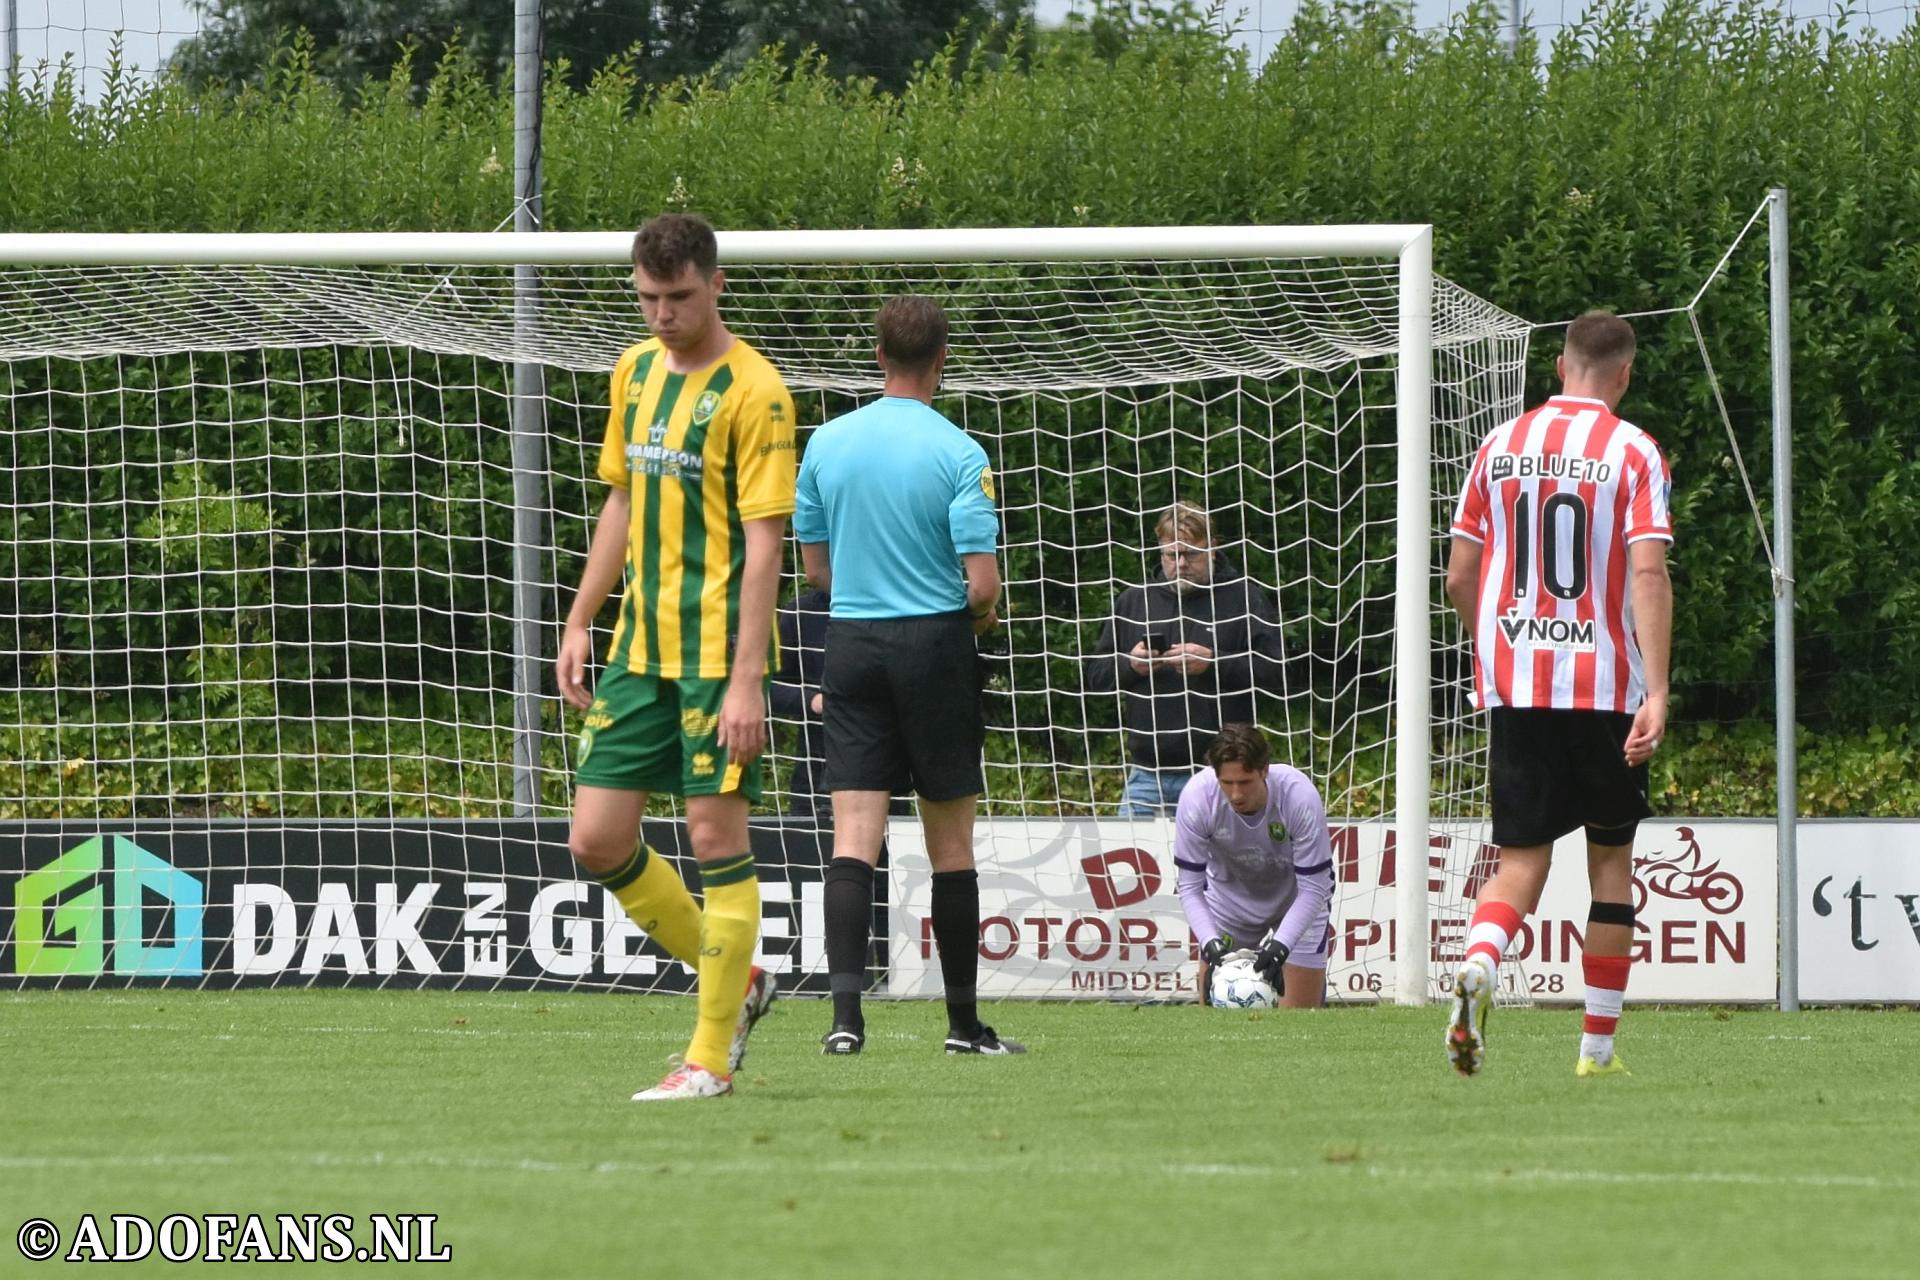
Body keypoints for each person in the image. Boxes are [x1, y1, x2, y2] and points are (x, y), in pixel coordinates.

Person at [556, 213, 794, 1102]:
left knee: (711, 838)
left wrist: (745, 681)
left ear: (716, 285)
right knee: (597, 838)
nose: (662, 314)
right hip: (639, 652)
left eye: (679, 297)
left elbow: (766, 544)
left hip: (714, 658)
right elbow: (620, 503)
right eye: (649, 298)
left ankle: (709, 1058)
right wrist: (582, 618)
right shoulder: (634, 370)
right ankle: (744, 980)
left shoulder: (757, 392)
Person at [1443, 310, 1673, 1079]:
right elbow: (1647, 571)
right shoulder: (1633, 450)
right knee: (1611, 866)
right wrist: (1660, 690)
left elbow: (1459, 576)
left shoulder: (1498, 445)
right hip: (1604, 688)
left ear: (1558, 364)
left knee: (1519, 862)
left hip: (1518, 684)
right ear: (1625, 374)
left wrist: (1502, 640)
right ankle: (1596, 1051)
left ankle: (1480, 964)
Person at [792, 295, 1020, 1058]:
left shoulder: (826, 442)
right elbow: (982, 588)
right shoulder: (960, 453)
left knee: (853, 837)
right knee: (949, 844)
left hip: (851, 643)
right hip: (933, 647)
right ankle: (961, 1027)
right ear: (942, 362)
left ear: (879, 354)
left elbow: (815, 568)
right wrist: (974, 620)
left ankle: (845, 1022)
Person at [1084, 502, 1288, 816]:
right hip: (1146, 775)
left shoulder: (1243, 597)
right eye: (1171, 555)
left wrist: (1213, 663)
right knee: (1135, 861)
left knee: (1218, 865)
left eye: (1191, 554)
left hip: (1218, 775)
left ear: (1213, 548)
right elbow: (1094, 675)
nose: (1181, 564)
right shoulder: (1134, 601)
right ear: (1159, 551)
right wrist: (1132, 665)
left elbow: (1277, 674)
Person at [1175, 724, 1333, 1009]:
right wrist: (1210, 943)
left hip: (1296, 904)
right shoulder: (1198, 798)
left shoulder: (1298, 797)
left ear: (1264, 770)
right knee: (1212, 1024)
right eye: (1227, 783)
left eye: (1245, 782)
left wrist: (1280, 946)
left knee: (1298, 1024)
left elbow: (1315, 888)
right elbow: (1188, 887)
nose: (1235, 795)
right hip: (1229, 905)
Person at [771, 586, 911, 822]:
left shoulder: (895, 604)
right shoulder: (803, 612)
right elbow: (764, 688)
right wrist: (814, 701)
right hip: (814, 778)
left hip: (884, 774)